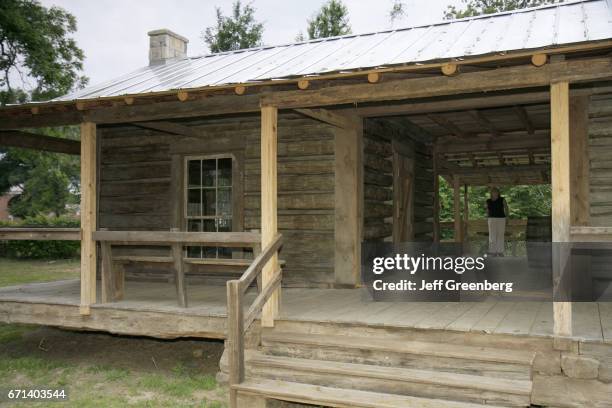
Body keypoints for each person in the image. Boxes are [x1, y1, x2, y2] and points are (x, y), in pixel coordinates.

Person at [486, 187, 509, 256]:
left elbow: (506, 208)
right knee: (492, 236)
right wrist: (487, 218)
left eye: (496, 191)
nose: (495, 193)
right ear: (491, 193)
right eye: (493, 191)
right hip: (491, 219)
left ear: (498, 193)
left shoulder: (502, 199)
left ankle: (500, 251)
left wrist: (507, 217)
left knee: (500, 235)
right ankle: (493, 252)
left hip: (501, 219)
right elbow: (487, 210)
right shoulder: (488, 201)